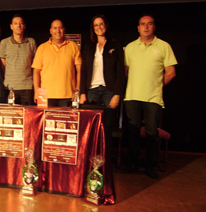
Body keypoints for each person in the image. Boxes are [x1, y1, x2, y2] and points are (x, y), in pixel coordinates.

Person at [123, 14, 177, 179]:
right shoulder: (130, 47)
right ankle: (133, 162)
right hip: (132, 97)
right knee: (132, 132)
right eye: (142, 24)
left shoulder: (163, 46)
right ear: (138, 28)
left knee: (152, 133)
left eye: (149, 24)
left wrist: (155, 87)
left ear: (154, 27)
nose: (146, 27)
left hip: (153, 98)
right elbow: (125, 72)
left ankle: (151, 165)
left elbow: (171, 73)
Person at [80, 14, 126, 165]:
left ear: (106, 25)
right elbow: (84, 71)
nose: (99, 27)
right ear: (93, 29)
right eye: (95, 25)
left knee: (105, 129)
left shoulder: (116, 46)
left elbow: (120, 73)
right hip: (92, 90)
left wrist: (117, 94)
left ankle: (104, 164)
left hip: (109, 92)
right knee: (90, 129)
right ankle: (90, 161)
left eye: (101, 24)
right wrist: (82, 92)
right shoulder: (89, 46)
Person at [32, 19, 82, 107]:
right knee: (46, 121)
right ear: (50, 31)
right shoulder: (42, 48)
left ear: (64, 30)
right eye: (55, 28)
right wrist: (36, 92)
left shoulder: (73, 46)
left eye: (60, 28)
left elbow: (79, 71)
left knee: (66, 121)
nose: (58, 31)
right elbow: (36, 72)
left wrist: (77, 90)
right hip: (46, 96)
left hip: (68, 96)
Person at [0, 14, 37, 105]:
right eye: (15, 23)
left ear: (24, 26)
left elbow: (34, 64)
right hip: (10, 87)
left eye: (21, 23)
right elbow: (2, 65)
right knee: (11, 116)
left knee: (27, 116)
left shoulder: (31, 42)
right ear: (11, 26)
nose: (18, 25)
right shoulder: (4, 42)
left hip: (27, 87)